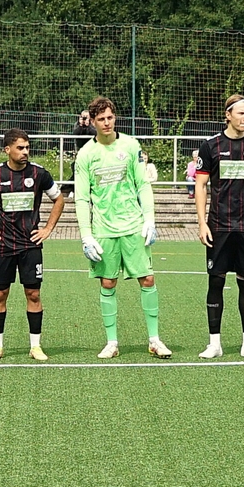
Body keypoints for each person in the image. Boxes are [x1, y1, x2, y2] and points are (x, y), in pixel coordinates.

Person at [75, 96, 171, 360]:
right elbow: (81, 198)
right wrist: (86, 236)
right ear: (93, 122)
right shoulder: (86, 154)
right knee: (108, 283)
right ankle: (112, 342)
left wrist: (149, 219)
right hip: (104, 230)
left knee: (148, 279)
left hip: (133, 225)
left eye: (110, 117)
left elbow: (142, 184)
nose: (107, 123)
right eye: (101, 119)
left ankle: (154, 340)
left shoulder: (130, 145)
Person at [0, 129, 65, 361]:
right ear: (7, 149)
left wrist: (47, 229)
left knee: (33, 294)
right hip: (2, 246)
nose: (25, 152)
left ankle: (35, 346)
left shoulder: (39, 173)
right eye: (20, 148)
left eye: (27, 147)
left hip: (30, 245)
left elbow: (59, 199)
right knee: (0, 294)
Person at [195, 95, 244, 360]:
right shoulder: (211, 146)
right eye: (240, 113)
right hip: (219, 226)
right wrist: (202, 222)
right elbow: (201, 186)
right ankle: (214, 343)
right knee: (216, 281)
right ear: (227, 115)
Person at [68, 111, 96, 198]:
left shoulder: (93, 124)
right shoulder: (77, 124)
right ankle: (72, 189)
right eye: (83, 117)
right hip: (80, 151)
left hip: (91, 151)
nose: (84, 119)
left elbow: (95, 133)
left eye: (86, 117)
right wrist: (81, 126)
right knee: (77, 169)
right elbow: (74, 134)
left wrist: (89, 125)